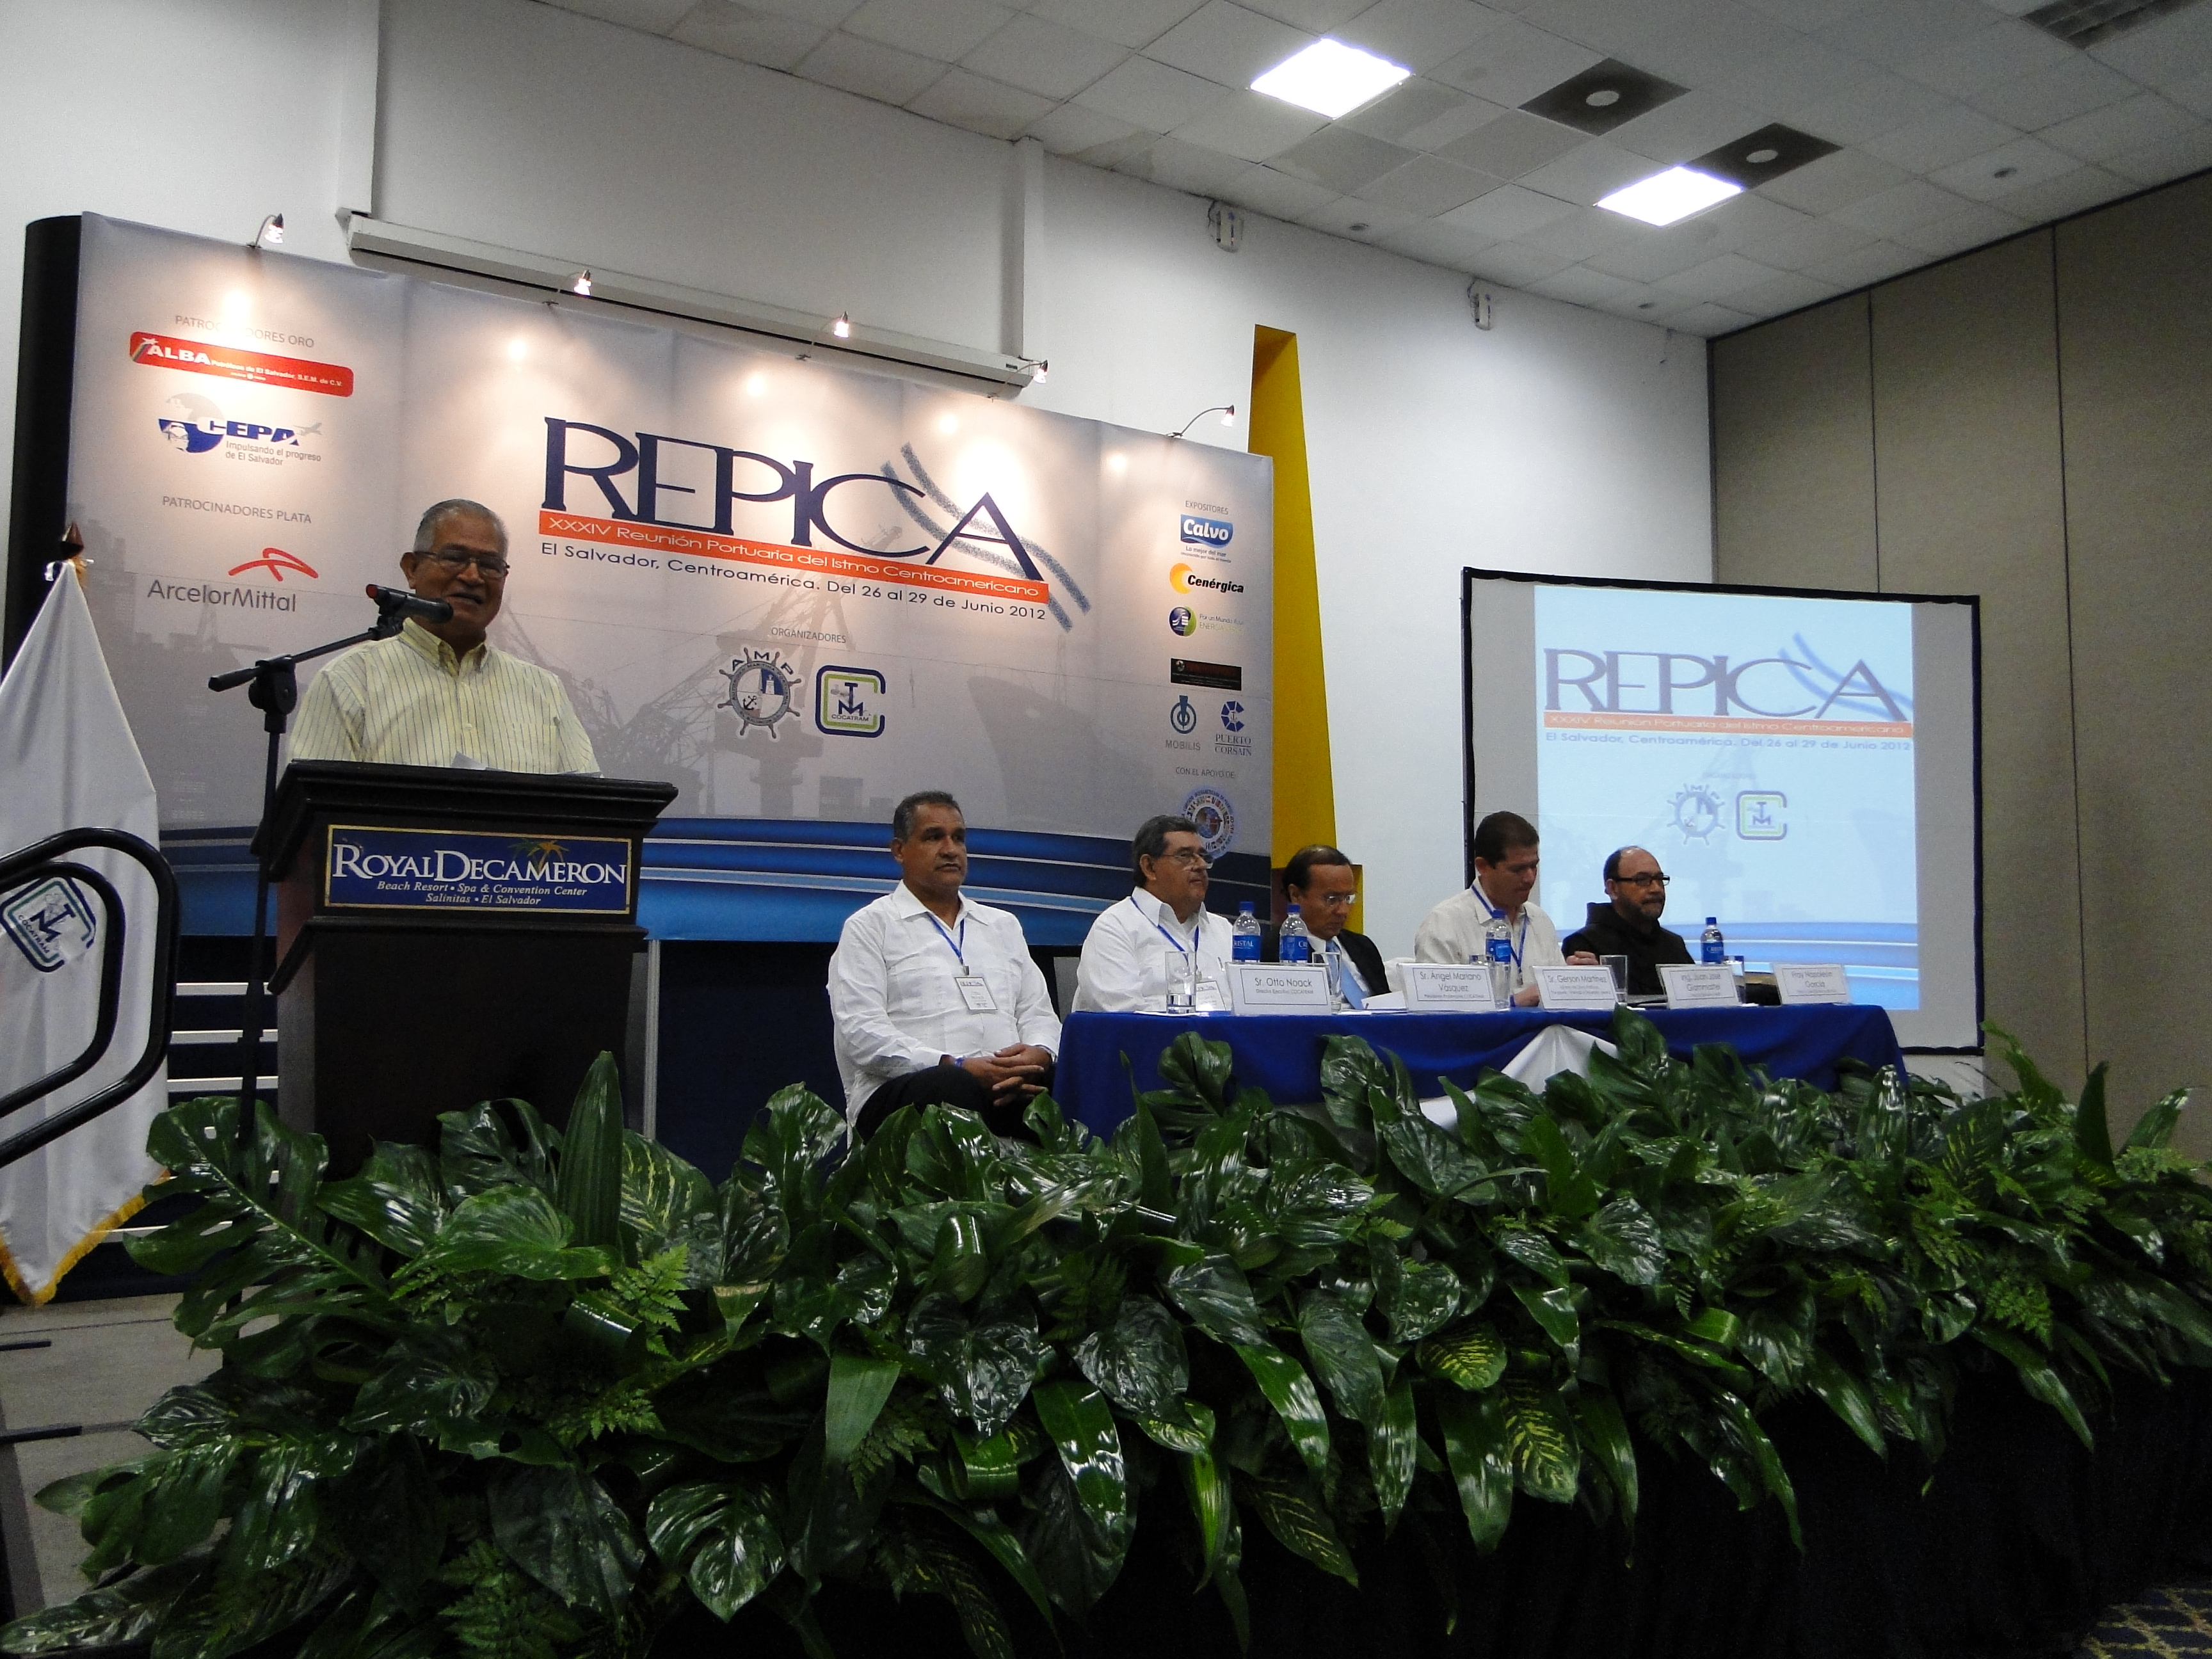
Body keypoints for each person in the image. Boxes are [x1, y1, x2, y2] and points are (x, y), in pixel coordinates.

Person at [289, 499, 598, 773]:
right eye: (454, 557)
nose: (472, 576)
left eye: (490, 565)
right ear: (412, 569)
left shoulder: (544, 690)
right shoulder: (351, 679)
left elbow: (587, 809)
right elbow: (318, 811)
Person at [827, 790, 1059, 1137]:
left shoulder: (1002, 925)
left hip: (1005, 1084)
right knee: (952, 1086)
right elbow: (861, 1034)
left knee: (1062, 1077)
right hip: (908, 1090)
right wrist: (956, 1064)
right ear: (899, 851)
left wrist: (1037, 1055)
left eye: (959, 838)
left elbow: (1038, 1013)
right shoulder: (870, 927)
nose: (951, 850)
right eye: (934, 837)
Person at [1413, 810, 1592, 1006]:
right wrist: (1516, 1002)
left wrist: (1572, 981)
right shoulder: (1445, 923)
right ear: (1482, 866)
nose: (1530, 878)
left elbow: (1556, 1003)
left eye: (1534, 866)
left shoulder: (1540, 920)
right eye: (1518, 869)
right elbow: (1437, 1010)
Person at [1073, 814, 1235, 1012]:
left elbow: (1248, 1006)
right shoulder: (1114, 928)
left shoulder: (1223, 930)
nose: (1201, 865)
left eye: (1203, 856)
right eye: (1185, 856)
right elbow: (1122, 1017)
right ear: (1149, 867)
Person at [1562, 846, 1694, 997]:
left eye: (1660, 879)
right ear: (1613, 888)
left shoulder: (1674, 945)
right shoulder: (1585, 944)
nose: (1656, 889)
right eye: (1642, 880)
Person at [1264, 844, 1386, 1006]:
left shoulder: (1363, 947)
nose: (1343, 911)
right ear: (1296, 895)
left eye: (1348, 898)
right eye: (1331, 899)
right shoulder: (1274, 950)